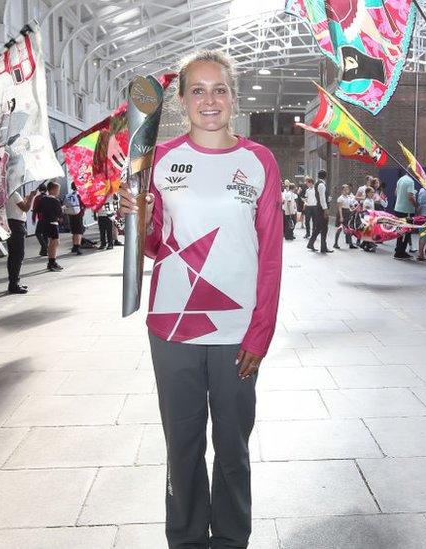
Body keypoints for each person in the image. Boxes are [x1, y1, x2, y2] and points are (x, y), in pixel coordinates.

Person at [118, 49, 282, 549]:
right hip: (172, 328)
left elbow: (271, 254)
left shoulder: (259, 161)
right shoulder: (161, 159)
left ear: (232, 96)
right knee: (182, 447)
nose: (209, 100)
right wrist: (139, 217)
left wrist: (261, 331)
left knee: (232, 447)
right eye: (198, 90)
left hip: (237, 330)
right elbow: (154, 247)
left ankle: (232, 538)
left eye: (219, 89)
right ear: (182, 101)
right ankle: (186, 539)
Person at [5, 186, 39, 294]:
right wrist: (32, 197)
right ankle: (13, 284)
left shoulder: (5, 194)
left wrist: (25, 199)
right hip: (16, 226)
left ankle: (13, 282)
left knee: (12, 255)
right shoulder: (14, 194)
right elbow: (26, 208)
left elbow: (17, 208)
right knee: (18, 255)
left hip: (9, 224)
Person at [37, 180, 64, 272]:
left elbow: (38, 209)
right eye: (57, 190)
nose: (58, 192)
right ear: (52, 190)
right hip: (52, 222)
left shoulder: (43, 199)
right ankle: (52, 262)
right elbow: (59, 213)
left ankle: (51, 261)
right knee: (54, 242)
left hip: (44, 222)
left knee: (52, 242)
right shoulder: (55, 200)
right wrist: (62, 209)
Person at [392, 169, 417, 259]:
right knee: (406, 232)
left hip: (398, 208)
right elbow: (410, 197)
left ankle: (398, 249)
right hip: (406, 210)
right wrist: (416, 206)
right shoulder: (410, 181)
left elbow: (395, 193)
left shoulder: (401, 179)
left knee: (400, 231)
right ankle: (400, 253)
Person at [306, 169, 331, 253]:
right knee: (324, 228)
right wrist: (325, 209)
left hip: (319, 208)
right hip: (322, 209)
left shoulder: (318, 184)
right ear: (325, 176)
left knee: (319, 227)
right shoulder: (321, 185)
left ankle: (311, 244)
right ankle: (323, 247)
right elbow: (322, 198)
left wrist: (328, 199)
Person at [64, 183, 85, 255]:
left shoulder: (69, 195)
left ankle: (74, 246)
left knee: (74, 231)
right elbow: (84, 203)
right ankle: (77, 247)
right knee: (79, 231)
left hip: (71, 214)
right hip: (78, 214)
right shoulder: (80, 195)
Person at [334, 184, 357, 249]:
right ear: (342, 190)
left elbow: (351, 206)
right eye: (345, 189)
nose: (347, 190)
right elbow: (340, 208)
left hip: (347, 213)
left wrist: (355, 208)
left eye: (347, 189)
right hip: (342, 213)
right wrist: (341, 217)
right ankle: (335, 243)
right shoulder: (340, 198)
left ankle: (350, 244)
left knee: (349, 229)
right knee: (339, 228)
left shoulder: (349, 197)